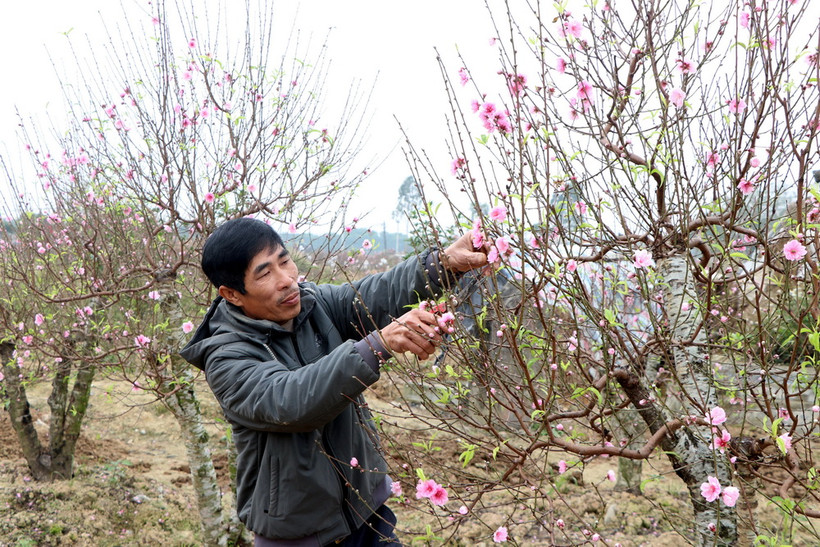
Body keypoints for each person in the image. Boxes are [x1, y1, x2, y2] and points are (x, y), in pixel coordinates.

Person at [180, 217, 489, 546]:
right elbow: (291, 401)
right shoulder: (226, 356)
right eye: (265, 273)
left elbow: (376, 295)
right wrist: (379, 344)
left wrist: (442, 265)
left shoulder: (314, 305)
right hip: (298, 536)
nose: (287, 280)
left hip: (367, 514)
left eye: (285, 261)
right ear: (232, 294)